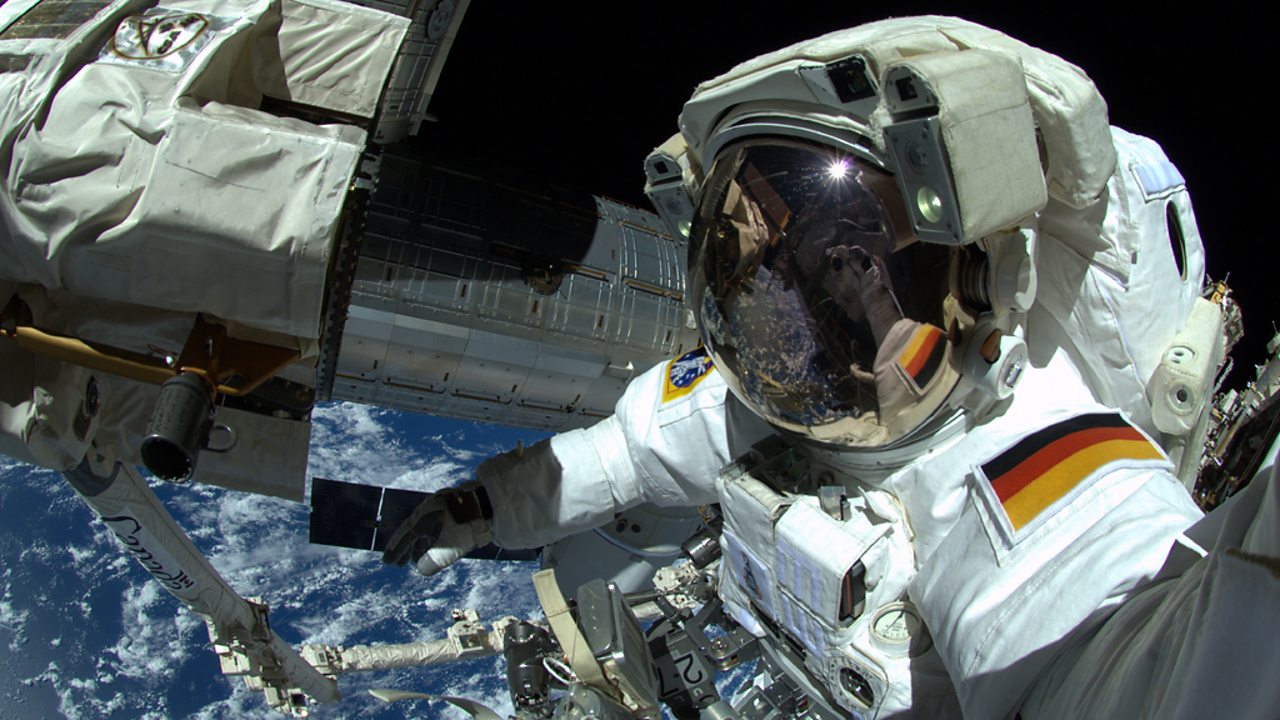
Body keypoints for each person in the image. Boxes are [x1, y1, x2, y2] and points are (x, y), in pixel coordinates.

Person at [384, 16, 1279, 719]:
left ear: (980, 281)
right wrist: (481, 506)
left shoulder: (1035, 468)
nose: (833, 288)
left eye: (868, 260)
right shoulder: (768, 393)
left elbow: (1148, 671)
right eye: (809, 271)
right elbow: (621, 455)